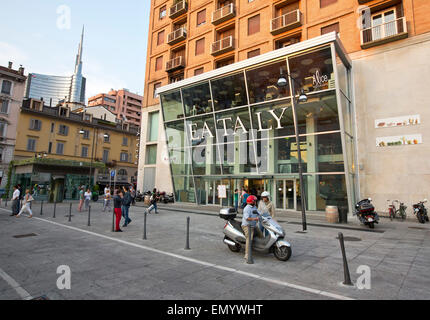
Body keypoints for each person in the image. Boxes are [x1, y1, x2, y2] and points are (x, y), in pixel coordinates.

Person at [241, 195, 263, 261]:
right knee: (249, 239)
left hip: (253, 225)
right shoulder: (247, 208)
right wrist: (254, 218)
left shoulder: (254, 207)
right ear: (252, 201)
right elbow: (247, 218)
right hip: (247, 226)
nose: (256, 202)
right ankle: (247, 254)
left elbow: (258, 213)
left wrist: (263, 215)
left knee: (261, 235)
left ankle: (260, 247)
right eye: (255, 201)